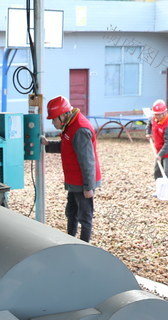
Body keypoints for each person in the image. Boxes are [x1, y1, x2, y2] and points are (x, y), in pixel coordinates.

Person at [42, 95, 102, 243]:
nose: (52, 122)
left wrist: (89, 187)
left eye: (53, 119)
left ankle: (84, 246)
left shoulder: (80, 129)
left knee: (84, 216)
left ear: (62, 115)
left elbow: (88, 161)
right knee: (71, 212)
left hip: (82, 183)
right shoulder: (70, 125)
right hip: (74, 181)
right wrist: (48, 144)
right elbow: (67, 146)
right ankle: (70, 241)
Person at [146, 99, 168, 180]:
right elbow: (149, 123)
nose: (157, 116)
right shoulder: (154, 118)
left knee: (167, 174)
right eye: (155, 114)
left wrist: (160, 155)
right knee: (157, 173)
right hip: (158, 149)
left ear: (165, 112)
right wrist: (148, 132)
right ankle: (159, 191)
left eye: (159, 114)